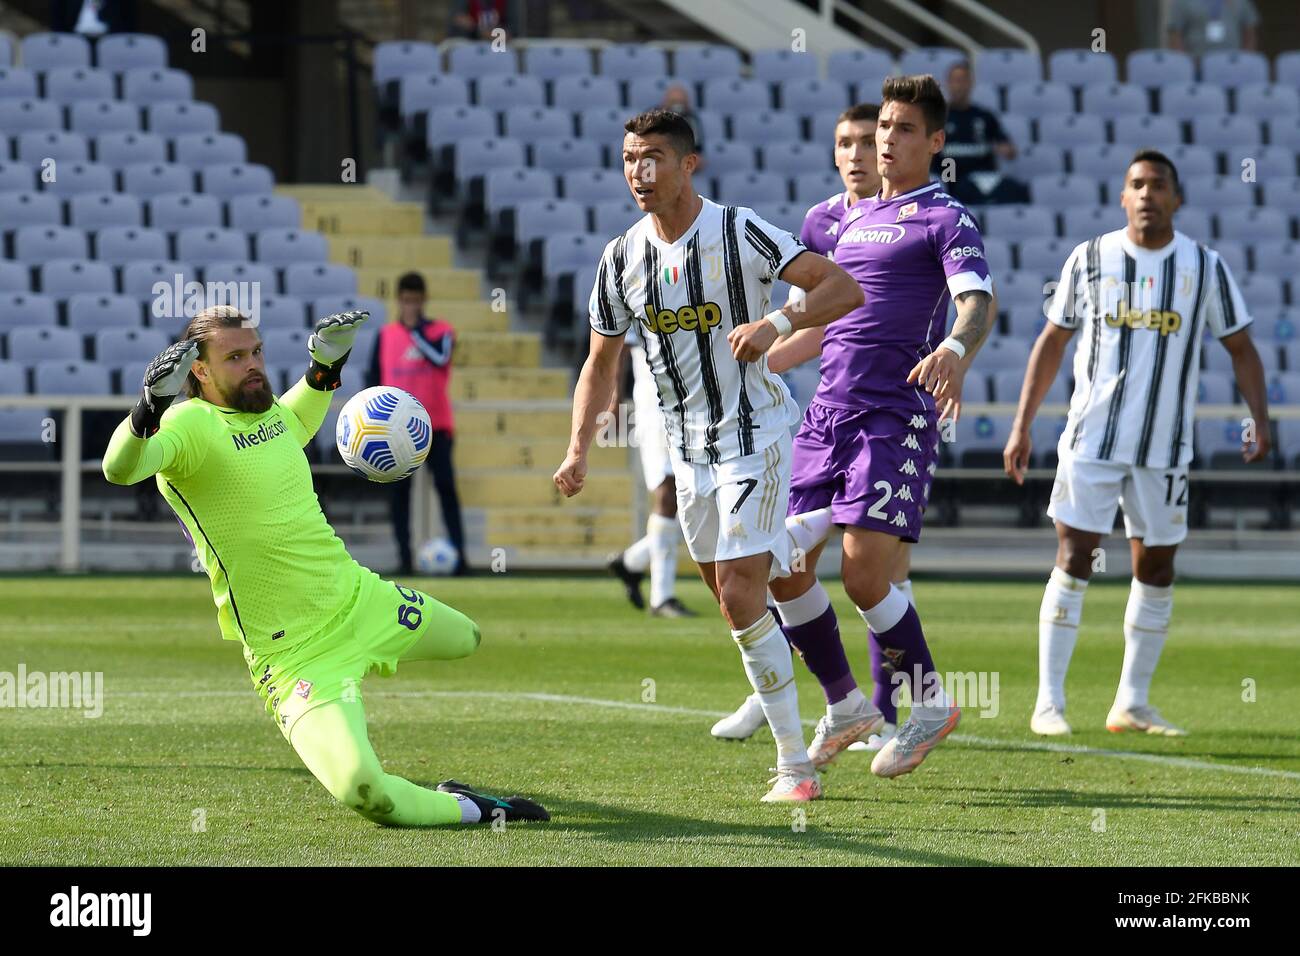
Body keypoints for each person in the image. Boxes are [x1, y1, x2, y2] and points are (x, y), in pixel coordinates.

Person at [102, 305, 546, 826]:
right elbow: (119, 468)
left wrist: (326, 366)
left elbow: (299, 414)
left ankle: (369, 676)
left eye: (258, 352)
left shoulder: (269, 418)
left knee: (466, 637)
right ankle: (473, 807)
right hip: (296, 656)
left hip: (360, 601)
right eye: (235, 357)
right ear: (198, 371)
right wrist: (148, 408)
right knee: (366, 792)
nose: (254, 365)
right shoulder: (188, 426)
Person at [553, 108, 863, 802]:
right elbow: (599, 365)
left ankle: (795, 767)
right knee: (747, 596)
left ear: (689, 164)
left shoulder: (739, 229)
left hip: (756, 436)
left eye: (655, 156)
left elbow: (843, 287)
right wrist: (578, 448)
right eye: (631, 157)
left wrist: (778, 321)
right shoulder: (622, 257)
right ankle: (846, 702)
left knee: (739, 591)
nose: (641, 170)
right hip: (690, 454)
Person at [715, 76, 995, 779]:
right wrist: (763, 360)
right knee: (782, 564)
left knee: (865, 573)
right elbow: (818, 317)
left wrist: (956, 350)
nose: (887, 141)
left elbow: (976, 302)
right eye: (882, 130)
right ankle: (845, 705)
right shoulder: (842, 223)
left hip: (892, 414)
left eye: (902, 130)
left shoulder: (944, 218)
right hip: (823, 417)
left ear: (935, 142)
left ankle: (927, 701)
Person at [1004, 149, 1272, 737]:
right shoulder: (1091, 258)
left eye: (1158, 185)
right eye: (1136, 184)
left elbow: (1241, 346)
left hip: (1165, 447)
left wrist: (1261, 417)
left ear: (1177, 198)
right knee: (1074, 558)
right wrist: (1023, 423)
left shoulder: (1204, 266)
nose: (1147, 194)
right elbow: (1053, 340)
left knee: (1155, 566)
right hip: (1092, 438)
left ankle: (1131, 702)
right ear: (1122, 197)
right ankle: (1048, 702)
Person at [367, 272, 468, 576]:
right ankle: (405, 559)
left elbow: (440, 359)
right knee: (399, 494)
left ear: (423, 301)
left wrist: (416, 331)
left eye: (415, 300)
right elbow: (373, 381)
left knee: (447, 488)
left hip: (436, 425)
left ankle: (461, 558)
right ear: (399, 300)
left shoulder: (441, 332)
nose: (410, 305)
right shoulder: (385, 336)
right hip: (396, 432)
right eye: (406, 300)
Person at [606, 321, 696, 618]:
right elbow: (616, 346)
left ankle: (632, 562)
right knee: (668, 493)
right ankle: (662, 597)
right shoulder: (638, 280)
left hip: (695, 406)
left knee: (697, 498)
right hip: (656, 407)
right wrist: (614, 401)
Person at [932, 61, 1028, 207]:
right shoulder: (938, 117)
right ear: (947, 84)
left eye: (963, 81)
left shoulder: (984, 116)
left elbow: (1009, 149)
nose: (959, 86)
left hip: (982, 176)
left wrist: (1006, 150)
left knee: (1016, 190)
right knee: (952, 182)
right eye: (955, 81)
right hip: (950, 174)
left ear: (970, 83)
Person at [1167, 0, 1258, 56]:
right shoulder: (1182, 1)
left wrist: (1245, 60)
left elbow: (1249, 32)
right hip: (1197, 66)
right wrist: (1185, 65)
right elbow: (1175, 34)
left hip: (1233, 65)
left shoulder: (1242, 1)